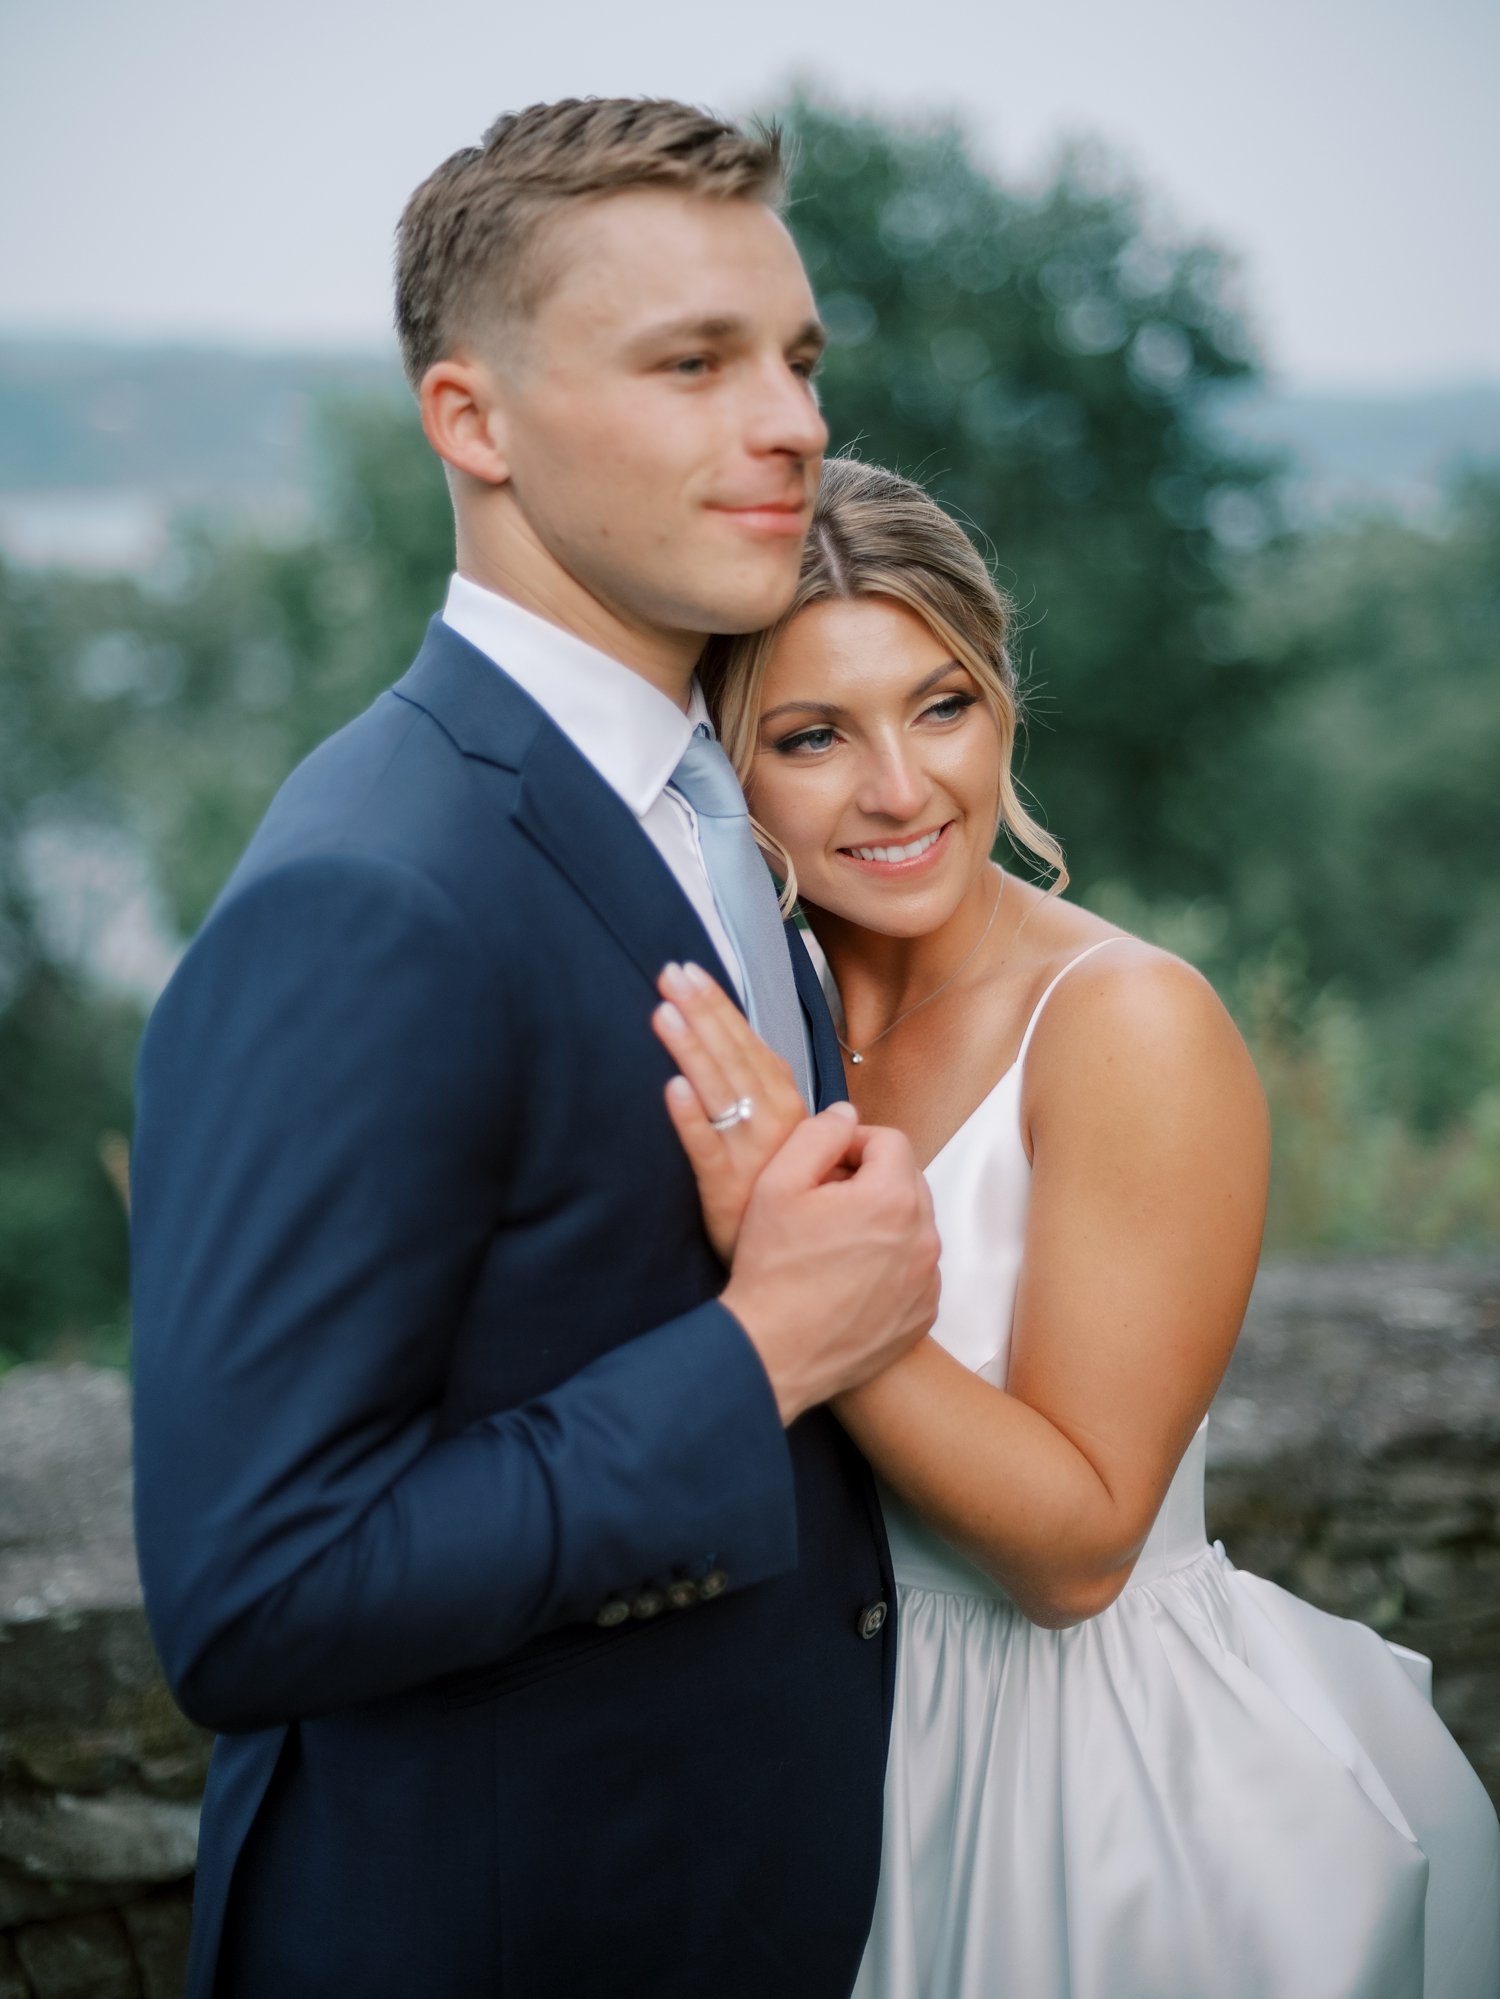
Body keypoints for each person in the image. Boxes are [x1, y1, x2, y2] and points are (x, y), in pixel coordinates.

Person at [129, 106, 942, 1999]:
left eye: (800, 360)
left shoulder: (711, 799)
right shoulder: (374, 892)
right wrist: (759, 1357)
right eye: (693, 363)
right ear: (471, 423)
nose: (794, 422)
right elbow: (258, 1593)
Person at [655, 455, 1500, 1998]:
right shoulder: (754, 1028)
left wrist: (807, 1273)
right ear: (723, 768)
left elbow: (1084, 1545)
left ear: (1005, 708)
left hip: (1097, 1806)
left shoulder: (1126, 1023)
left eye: (942, 705)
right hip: (824, 1779)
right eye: (814, 736)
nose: (901, 789)